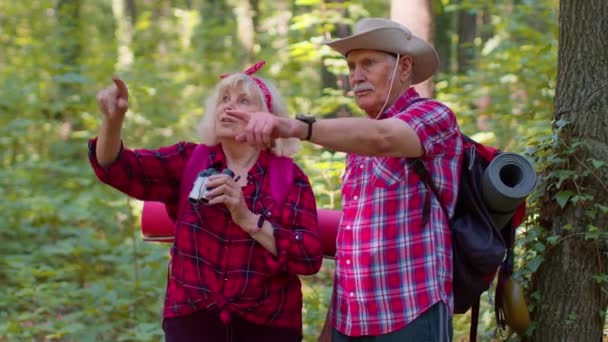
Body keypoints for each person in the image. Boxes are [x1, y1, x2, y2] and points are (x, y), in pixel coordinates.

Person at [226, 18, 463, 341]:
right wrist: (330, 330)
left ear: (404, 67)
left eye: (368, 63)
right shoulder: (354, 145)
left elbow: (383, 137)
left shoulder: (434, 116)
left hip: (412, 311)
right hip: (351, 323)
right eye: (351, 66)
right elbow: (352, 242)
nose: (356, 76)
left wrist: (297, 127)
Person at [88, 62, 324, 342]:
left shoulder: (288, 177)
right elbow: (116, 168)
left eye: (243, 100)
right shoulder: (189, 160)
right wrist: (112, 121)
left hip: (268, 323)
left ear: (268, 118)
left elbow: (308, 257)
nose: (228, 106)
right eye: (224, 99)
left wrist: (246, 217)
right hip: (192, 319)